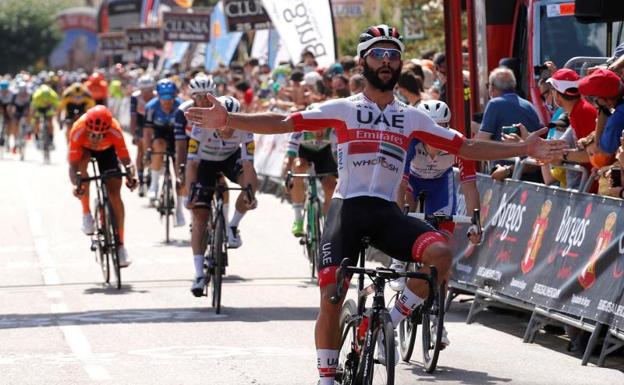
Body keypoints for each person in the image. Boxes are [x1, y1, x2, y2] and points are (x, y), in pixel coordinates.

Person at [184, 24, 564, 385]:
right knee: (332, 294)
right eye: (378, 54)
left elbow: (465, 147)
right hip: (347, 209)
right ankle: (326, 377)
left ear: (399, 65)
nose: (386, 61)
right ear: (363, 61)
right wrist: (230, 118)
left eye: (393, 56)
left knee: (441, 254)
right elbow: (285, 121)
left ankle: (392, 320)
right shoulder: (344, 108)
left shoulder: (411, 116)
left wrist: (522, 148)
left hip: (385, 213)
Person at [389, 100, 481, 348]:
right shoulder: (410, 140)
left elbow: (470, 184)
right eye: (431, 127)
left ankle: (437, 318)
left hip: (440, 185)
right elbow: (399, 183)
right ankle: (399, 259)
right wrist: (398, 221)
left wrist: (476, 221)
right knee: (405, 207)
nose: (436, 133)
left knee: (444, 249)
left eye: (441, 127)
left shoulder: (457, 142)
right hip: (411, 184)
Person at [182, 80, 257, 295]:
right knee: (199, 215)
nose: (227, 128)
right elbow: (192, 163)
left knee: (252, 184)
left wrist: (249, 192)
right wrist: (190, 192)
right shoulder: (200, 127)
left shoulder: (246, 130)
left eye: (231, 123)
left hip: (229, 159)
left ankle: (232, 225)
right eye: (223, 122)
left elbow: (248, 164)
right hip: (204, 163)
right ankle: (198, 274)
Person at [68, 105, 136, 267]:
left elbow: (126, 160)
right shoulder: (78, 129)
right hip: (84, 152)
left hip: (108, 152)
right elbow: (72, 165)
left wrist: (131, 176)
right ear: (86, 128)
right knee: (81, 171)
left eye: (100, 134)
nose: (96, 138)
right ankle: (86, 214)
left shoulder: (114, 130)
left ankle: (120, 245)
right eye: (92, 134)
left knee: (114, 194)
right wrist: (77, 184)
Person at [475, 67, 543, 181]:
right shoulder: (529, 105)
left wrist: (475, 128)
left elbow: (481, 142)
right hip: (532, 176)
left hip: (506, 177)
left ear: (492, 88)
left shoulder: (494, 104)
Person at [283, 103, 337, 237]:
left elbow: (338, 158)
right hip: (304, 155)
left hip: (324, 156)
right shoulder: (299, 130)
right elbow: (289, 158)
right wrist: (287, 177)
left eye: (323, 127)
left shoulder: (333, 131)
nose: (319, 132)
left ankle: (328, 224)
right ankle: (298, 219)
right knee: (298, 167)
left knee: (331, 187)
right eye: (315, 127)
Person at [145, 78, 186, 226]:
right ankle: (154, 185)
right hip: (160, 134)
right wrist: (148, 150)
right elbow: (148, 131)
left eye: (170, 98)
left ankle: (180, 211)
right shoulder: (151, 107)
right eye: (164, 98)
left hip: (178, 137)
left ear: (175, 96)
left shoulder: (181, 106)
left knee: (180, 173)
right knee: (158, 145)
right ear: (158, 97)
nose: (167, 102)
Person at [129, 75, 156, 197]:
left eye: (149, 90)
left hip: (154, 123)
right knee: (141, 149)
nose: (147, 93)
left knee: (152, 148)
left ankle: (151, 170)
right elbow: (133, 117)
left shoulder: (157, 96)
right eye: (144, 90)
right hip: (141, 122)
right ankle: (140, 177)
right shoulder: (135, 97)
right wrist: (134, 134)